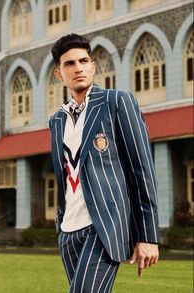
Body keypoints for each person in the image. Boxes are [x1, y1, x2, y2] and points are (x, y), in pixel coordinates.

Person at [49, 33, 160, 293]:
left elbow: (142, 170)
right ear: (58, 74)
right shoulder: (57, 120)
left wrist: (148, 235)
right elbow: (64, 176)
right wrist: (61, 223)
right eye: (69, 64)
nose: (78, 68)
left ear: (93, 66)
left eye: (83, 61)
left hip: (104, 229)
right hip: (68, 232)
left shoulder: (116, 102)